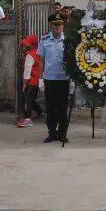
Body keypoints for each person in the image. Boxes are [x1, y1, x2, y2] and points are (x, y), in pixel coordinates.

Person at [36, 13, 70, 144]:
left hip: (64, 79)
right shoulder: (44, 40)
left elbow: (72, 61)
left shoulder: (67, 41)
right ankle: (51, 133)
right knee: (50, 108)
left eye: (60, 24)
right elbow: (41, 61)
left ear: (63, 26)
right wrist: (40, 79)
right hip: (49, 79)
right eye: (55, 24)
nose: (57, 27)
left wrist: (72, 79)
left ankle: (62, 134)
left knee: (62, 108)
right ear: (51, 26)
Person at [19, 34, 43, 127]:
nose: (23, 46)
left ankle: (27, 119)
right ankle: (40, 112)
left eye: (25, 45)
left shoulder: (30, 55)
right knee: (32, 100)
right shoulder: (38, 53)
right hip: (37, 81)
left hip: (31, 82)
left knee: (27, 100)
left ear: (31, 45)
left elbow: (27, 71)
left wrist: (24, 83)